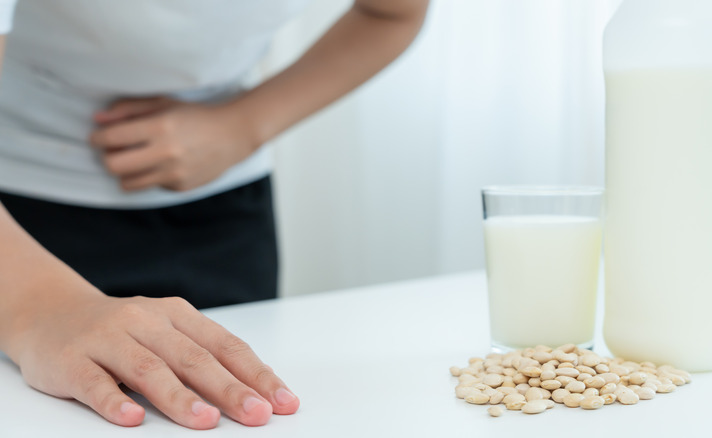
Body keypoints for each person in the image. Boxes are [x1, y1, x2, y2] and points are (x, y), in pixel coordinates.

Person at [0, 0, 428, 430]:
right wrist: (37, 309)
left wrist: (241, 125)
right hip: (20, 224)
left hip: (225, 215)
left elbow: (391, 12)